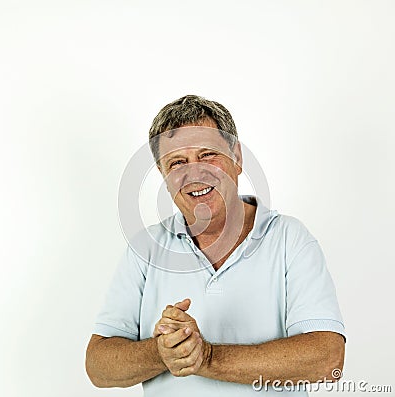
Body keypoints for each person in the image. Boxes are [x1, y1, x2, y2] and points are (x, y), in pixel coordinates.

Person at [85, 95, 346, 396]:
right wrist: (161, 352)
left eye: (208, 154)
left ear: (237, 157)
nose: (194, 173)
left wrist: (206, 357)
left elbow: (328, 358)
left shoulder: (290, 239)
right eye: (177, 162)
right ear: (163, 175)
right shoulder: (145, 249)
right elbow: (98, 366)